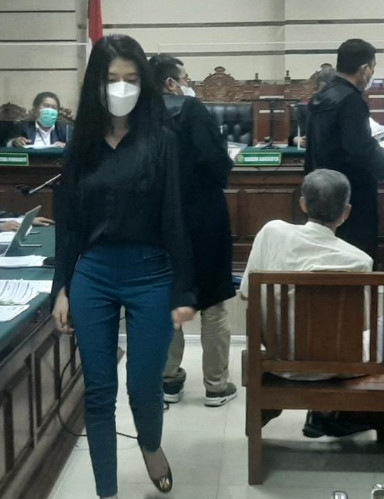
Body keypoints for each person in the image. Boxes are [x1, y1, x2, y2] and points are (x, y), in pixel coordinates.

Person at [51, 35, 196, 499]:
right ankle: (107, 492)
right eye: (112, 79)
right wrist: (61, 287)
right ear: (96, 83)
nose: (121, 88)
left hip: (151, 274)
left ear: (144, 84)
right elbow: (68, 224)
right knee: (98, 390)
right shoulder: (80, 146)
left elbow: (176, 218)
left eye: (131, 79)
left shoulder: (161, 140)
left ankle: (150, 445)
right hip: (93, 273)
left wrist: (184, 289)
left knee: (143, 385)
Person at [239, 169, 384, 437]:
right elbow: (362, 325)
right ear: (346, 212)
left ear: (303, 204)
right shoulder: (358, 260)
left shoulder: (271, 233)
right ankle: (355, 413)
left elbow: (246, 294)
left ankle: (324, 413)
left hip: (281, 357)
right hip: (341, 365)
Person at [149, 54, 238, 407]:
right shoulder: (192, 109)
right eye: (186, 78)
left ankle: (168, 380)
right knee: (213, 300)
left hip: (160, 220)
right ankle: (216, 385)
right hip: (203, 216)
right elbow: (216, 162)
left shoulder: (140, 116)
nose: (189, 84)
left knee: (168, 298)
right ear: (171, 83)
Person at [305, 39, 384, 264]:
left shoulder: (320, 96)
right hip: (351, 195)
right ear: (365, 69)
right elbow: (360, 150)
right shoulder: (351, 101)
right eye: (373, 68)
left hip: (321, 189)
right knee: (355, 256)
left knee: (325, 255)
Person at [8, 91, 74, 148]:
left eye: (54, 107)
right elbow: (7, 144)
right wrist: (14, 142)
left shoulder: (66, 129)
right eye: (46, 106)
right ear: (35, 109)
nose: (50, 110)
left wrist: (66, 146)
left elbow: (75, 149)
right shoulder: (23, 127)